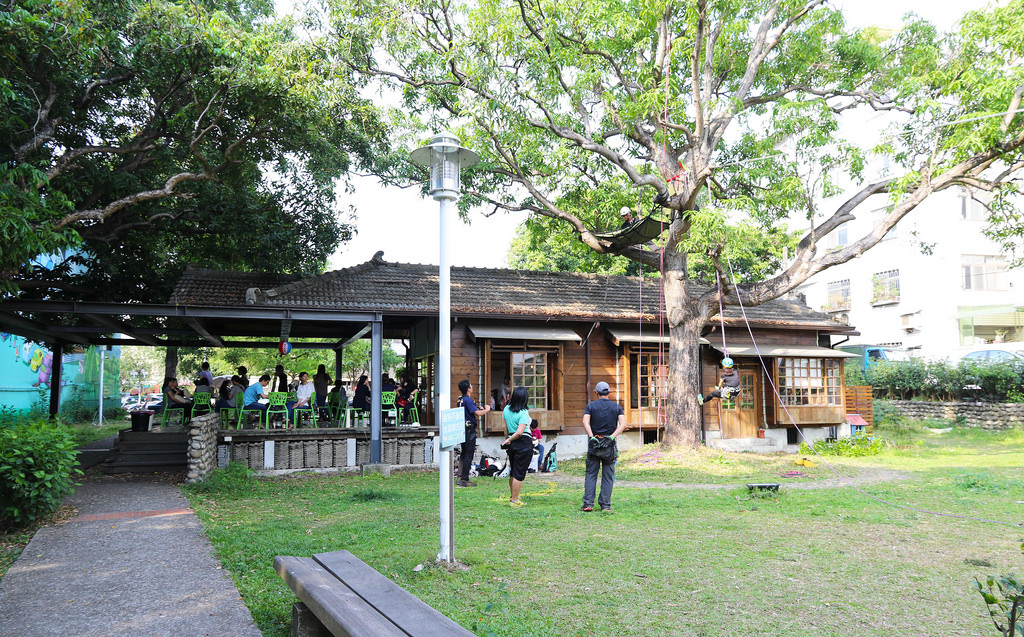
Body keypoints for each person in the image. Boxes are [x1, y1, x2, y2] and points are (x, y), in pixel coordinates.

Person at [580, 381, 626, 513]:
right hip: (609, 446)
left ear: (596, 392)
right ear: (608, 393)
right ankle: (606, 505)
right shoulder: (616, 407)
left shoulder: (590, 406)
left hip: (595, 444)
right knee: (608, 476)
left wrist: (592, 436)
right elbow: (623, 424)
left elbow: (585, 421)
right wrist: (611, 437)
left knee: (591, 474)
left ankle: (588, 504)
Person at [501, 386, 534, 507]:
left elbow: (505, 429)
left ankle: (513, 495)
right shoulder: (524, 413)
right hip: (523, 443)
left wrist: (507, 440)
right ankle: (514, 501)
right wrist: (510, 439)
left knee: (514, 471)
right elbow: (520, 432)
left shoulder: (506, 409)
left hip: (512, 444)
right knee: (519, 473)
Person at [456, 379, 490, 488]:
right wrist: (487, 410)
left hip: (462, 428)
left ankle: (460, 477)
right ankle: (465, 479)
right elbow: (478, 413)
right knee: (468, 455)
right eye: (470, 385)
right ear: (468, 389)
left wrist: (477, 406)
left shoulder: (460, 399)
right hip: (469, 429)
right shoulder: (467, 400)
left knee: (464, 453)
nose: (472, 386)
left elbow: (471, 407)